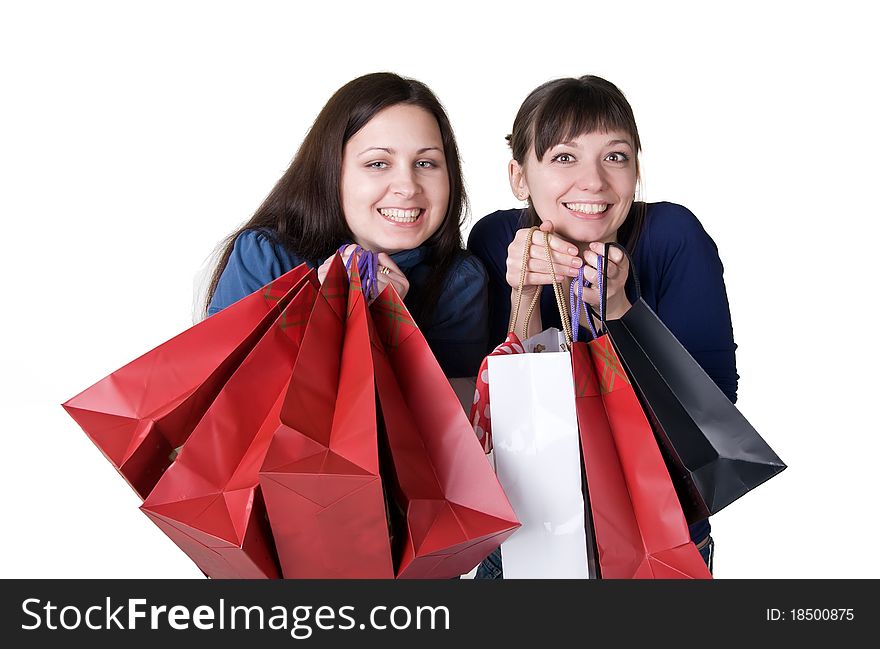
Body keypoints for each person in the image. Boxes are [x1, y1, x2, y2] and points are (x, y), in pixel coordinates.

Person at [467, 75, 738, 577]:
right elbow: (490, 421)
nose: (593, 181)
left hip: (654, 533)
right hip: (528, 536)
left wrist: (618, 306)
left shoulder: (673, 235)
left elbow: (714, 414)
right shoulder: (496, 237)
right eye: (564, 157)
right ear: (519, 176)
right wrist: (524, 295)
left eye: (615, 156)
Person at [204, 72, 488, 379]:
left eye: (425, 163)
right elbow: (223, 402)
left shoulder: (459, 281)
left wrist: (390, 327)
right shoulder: (265, 259)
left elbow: (454, 420)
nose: (408, 187)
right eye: (378, 163)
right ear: (331, 171)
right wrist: (323, 317)